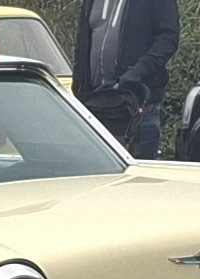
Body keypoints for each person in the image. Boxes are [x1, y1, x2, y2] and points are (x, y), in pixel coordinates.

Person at [74, 0, 180, 160]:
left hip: (138, 105)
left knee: (139, 179)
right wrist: (79, 88)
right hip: (95, 104)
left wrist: (137, 73)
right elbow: (83, 42)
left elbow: (168, 39)